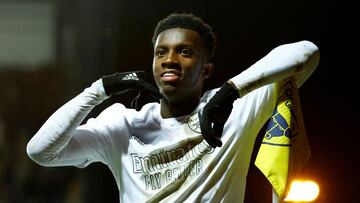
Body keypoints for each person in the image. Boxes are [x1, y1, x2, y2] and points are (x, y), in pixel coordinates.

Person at [26, 12, 320, 202]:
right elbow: (41, 151)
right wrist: (100, 89)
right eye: (160, 52)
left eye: (185, 52)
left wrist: (231, 91)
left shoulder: (238, 108)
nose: (169, 59)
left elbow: (307, 52)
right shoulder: (122, 123)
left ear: (206, 69)